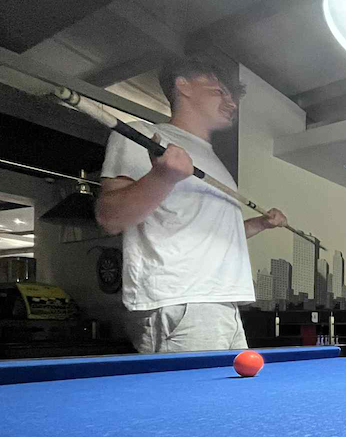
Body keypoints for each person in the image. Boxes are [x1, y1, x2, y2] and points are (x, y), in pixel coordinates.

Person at [97, 57, 288, 353]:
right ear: (183, 85)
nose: (232, 103)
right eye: (220, 91)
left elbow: (214, 232)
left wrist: (260, 224)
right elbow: (110, 218)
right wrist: (162, 177)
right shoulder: (146, 135)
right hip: (182, 301)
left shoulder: (211, 157)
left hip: (222, 303)